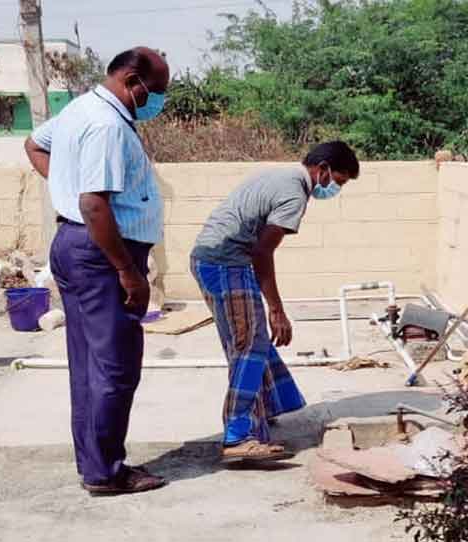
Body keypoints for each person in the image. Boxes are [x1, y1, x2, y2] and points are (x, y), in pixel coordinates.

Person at [23, 47, 169, 495]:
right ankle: (106, 471)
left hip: (78, 244)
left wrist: (65, 188)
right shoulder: (106, 125)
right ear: (131, 79)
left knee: (90, 364)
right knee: (116, 365)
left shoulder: (80, 109)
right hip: (102, 253)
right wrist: (127, 271)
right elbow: (93, 203)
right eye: (156, 90)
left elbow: (34, 143)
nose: (158, 99)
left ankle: (97, 463)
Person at [190, 141, 360, 462]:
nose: (334, 188)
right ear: (322, 168)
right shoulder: (295, 192)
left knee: (252, 341)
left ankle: (266, 408)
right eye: (337, 181)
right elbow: (262, 251)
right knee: (249, 347)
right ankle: (239, 437)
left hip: (213, 259)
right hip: (226, 263)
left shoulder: (281, 176)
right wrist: (277, 310)